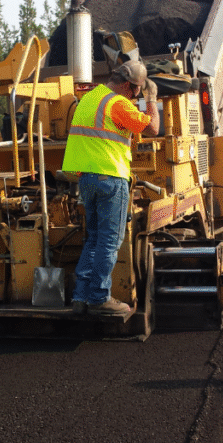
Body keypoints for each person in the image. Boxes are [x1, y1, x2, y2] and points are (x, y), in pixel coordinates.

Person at [62, 60, 159, 316]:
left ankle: (81, 297)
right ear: (128, 85)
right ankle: (99, 298)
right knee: (109, 241)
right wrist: (151, 98)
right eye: (137, 90)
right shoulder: (118, 103)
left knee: (93, 239)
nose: (136, 95)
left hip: (87, 179)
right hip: (111, 179)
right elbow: (152, 128)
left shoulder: (91, 97)